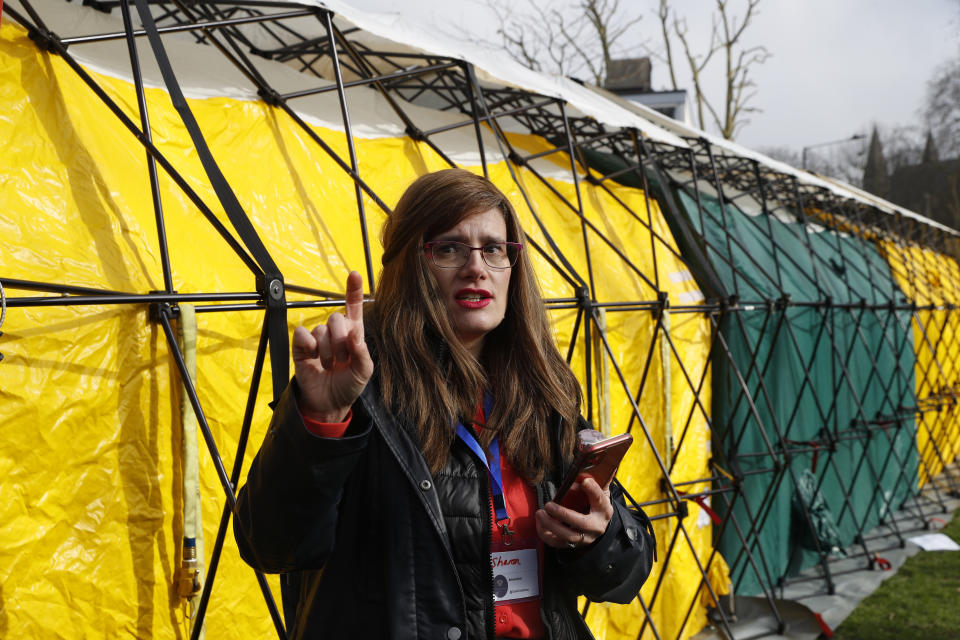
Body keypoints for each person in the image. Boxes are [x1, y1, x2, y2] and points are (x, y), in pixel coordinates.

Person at [234, 169, 655, 640]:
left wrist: (599, 536)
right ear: (409, 263)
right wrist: (319, 425)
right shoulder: (354, 387)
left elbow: (629, 569)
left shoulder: (543, 393)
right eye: (449, 248)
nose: (476, 267)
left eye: (494, 249)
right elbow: (271, 546)